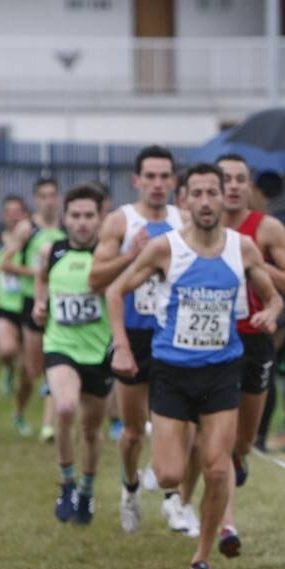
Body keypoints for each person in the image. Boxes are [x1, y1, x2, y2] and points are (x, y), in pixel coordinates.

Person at [106, 163, 281, 569]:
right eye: (197, 194)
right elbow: (115, 291)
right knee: (168, 474)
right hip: (172, 372)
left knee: (219, 468)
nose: (205, 202)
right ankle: (160, 461)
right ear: (184, 200)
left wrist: (270, 313)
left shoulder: (243, 248)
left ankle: (202, 558)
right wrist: (124, 347)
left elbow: (273, 296)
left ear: (225, 198)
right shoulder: (166, 249)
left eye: (212, 193)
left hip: (222, 372)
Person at [215, 153, 285, 553]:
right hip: (209, 343)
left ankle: (239, 458)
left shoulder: (267, 229)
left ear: (249, 185)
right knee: (215, 438)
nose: (233, 186)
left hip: (254, 338)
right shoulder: (192, 230)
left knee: (242, 439)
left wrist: (255, 264)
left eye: (241, 179)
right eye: (225, 179)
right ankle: (226, 527)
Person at [89, 146, 185, 535]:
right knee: (132, 432)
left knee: (177, 424)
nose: (158, 184)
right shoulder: (120, 221)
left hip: (173, 335)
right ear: (137, 180)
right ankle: (129, 490)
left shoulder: (185, 220)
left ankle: (174, 499)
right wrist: (132, 254)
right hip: (132, 335)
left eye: (165, 176)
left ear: (174, 181)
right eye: (151, 176)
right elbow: (96, 280)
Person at [33, 185, 113, 526]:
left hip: (99, 353)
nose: (81, 223)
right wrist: (40, 303)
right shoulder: (53, 251)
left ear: (101, 218)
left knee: (92, 431)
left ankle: (87, 490)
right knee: (65, 408)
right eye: (75, 216)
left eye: (88, 216)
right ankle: (66, 483)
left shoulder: (110, 256)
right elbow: (41, 278)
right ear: (65, 218)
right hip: (60, 345)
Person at [4, 177, 66, 442]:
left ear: (59, 198)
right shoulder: (27, 229)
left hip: (61, 303)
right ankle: (19, 410)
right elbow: (6, 264)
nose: (49, 201)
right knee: (33, 370)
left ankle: (48, 426)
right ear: (35, 200)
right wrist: (37, 272)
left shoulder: (68, 228)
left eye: (53, 195)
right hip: (32, 303)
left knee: (54, 363)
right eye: (43, 196)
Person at [0, 195, 35, 433]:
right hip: (6, 306)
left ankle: (19, 412)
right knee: (7, 350)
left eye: (18, 211)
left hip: (27, 305)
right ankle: (8, 368)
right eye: (9, 211)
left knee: (29, 370)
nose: (14, 215)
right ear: (3, 216)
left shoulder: (33, 239)